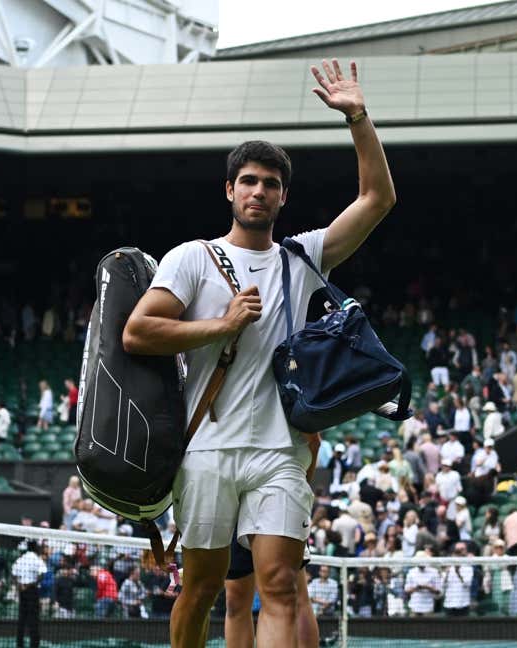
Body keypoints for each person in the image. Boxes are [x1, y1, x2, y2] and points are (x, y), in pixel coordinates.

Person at [121, 57, 396, 648]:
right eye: (248, 180)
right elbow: (139, 332)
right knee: (200, 589)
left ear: (282, 197)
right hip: (208, 446)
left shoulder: (302, 258)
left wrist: (358, 117)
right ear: (229, 190)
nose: (259, 191)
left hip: (281, 448)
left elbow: (377, 198)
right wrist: (221, 324)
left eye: (270, 184)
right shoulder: (190, 256)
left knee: (279, 583)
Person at [13, 540, 48, 648]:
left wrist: (20, 585)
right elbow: (42, 574)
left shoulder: (20, 559)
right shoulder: (37, 559)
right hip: (32, 592)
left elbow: (14, 574)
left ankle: (20, 645)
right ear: (35, 547)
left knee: (21, 620)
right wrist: (30, 585)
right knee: (34, 621)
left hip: (22, 592)